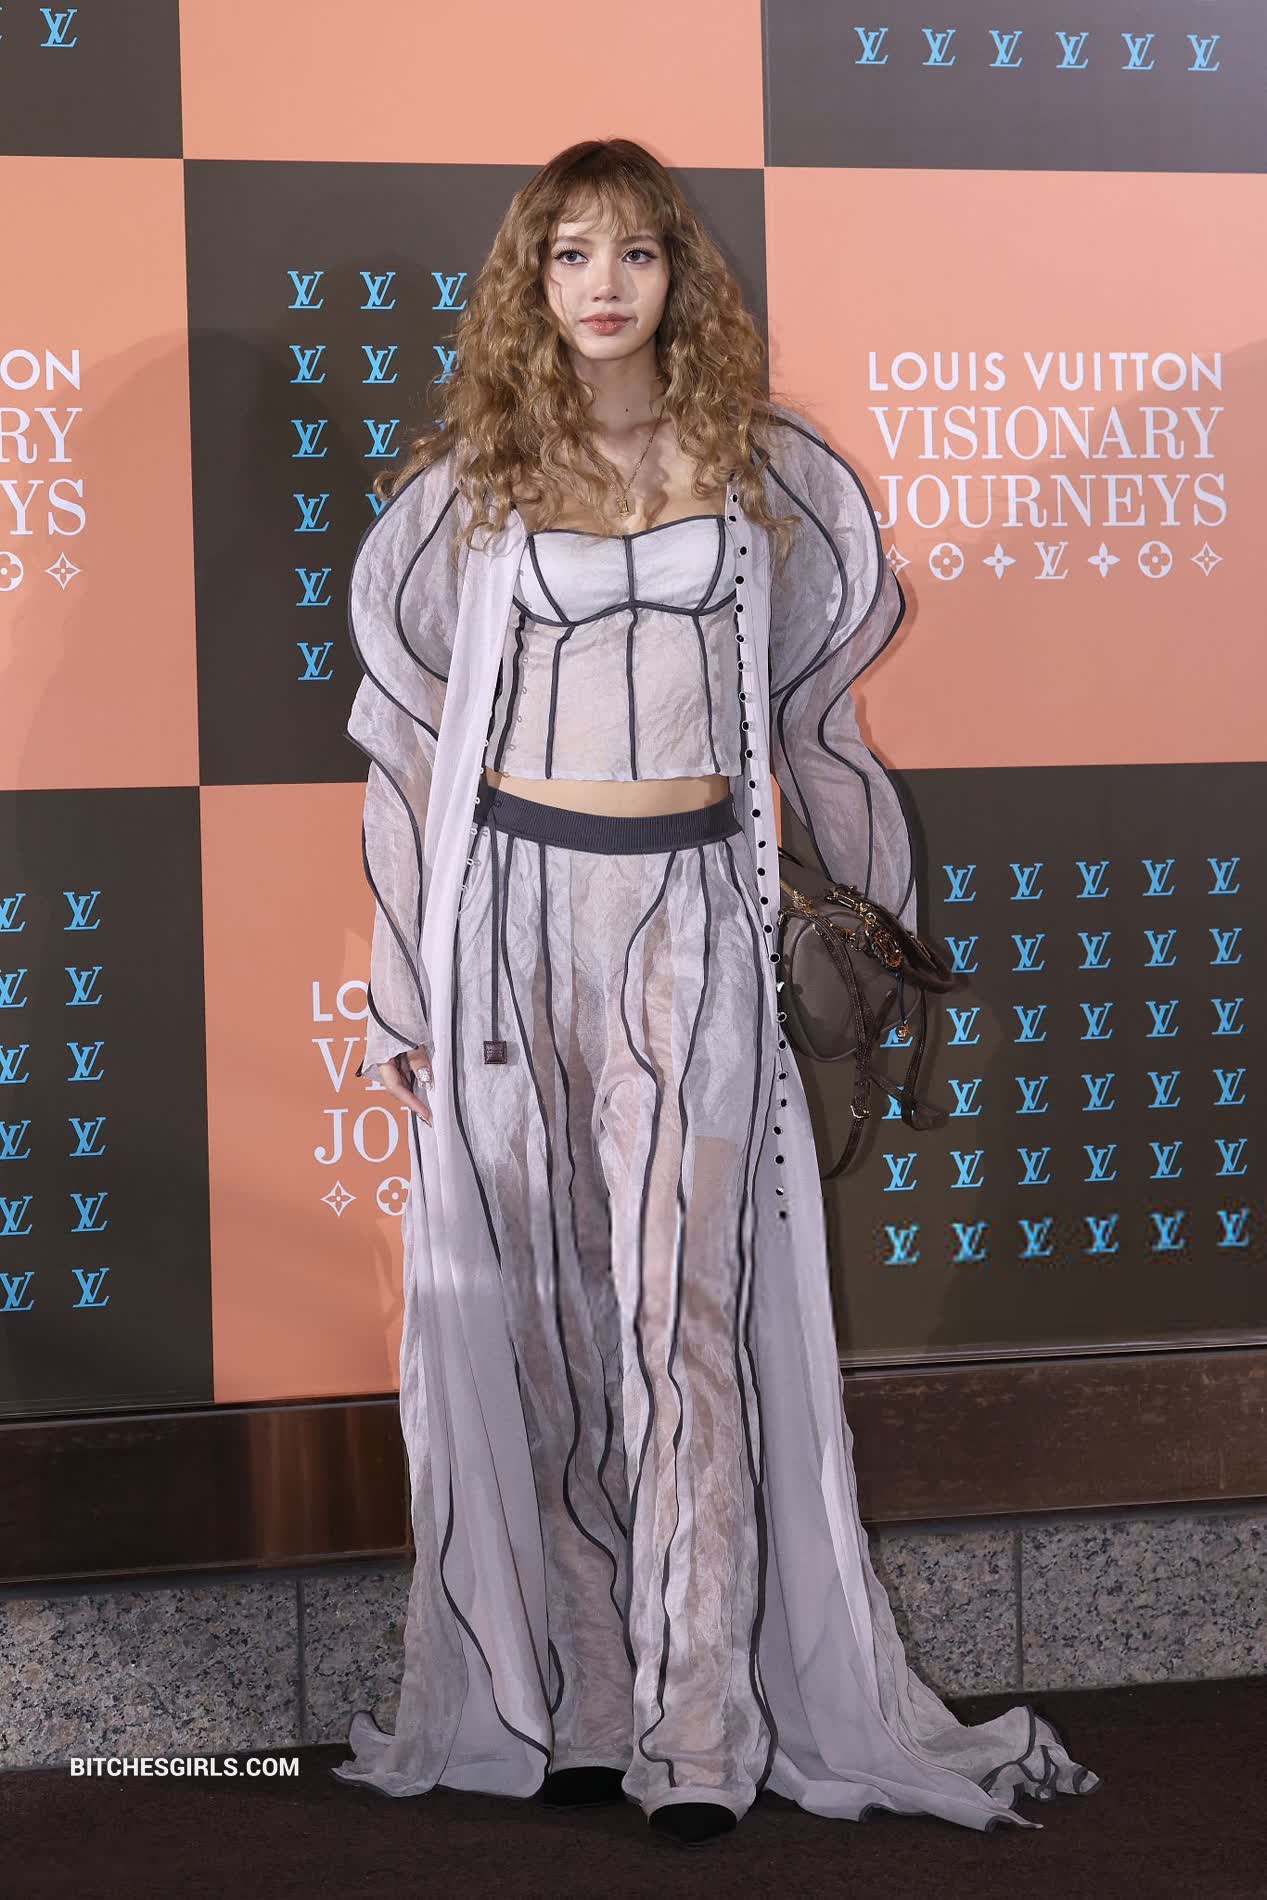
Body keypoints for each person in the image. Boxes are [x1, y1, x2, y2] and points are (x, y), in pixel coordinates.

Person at [331, 138, 1102, 1851]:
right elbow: (404, 755)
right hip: (510, 923)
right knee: (543, 1322)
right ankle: (584, 1699)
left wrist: (878, 930)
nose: (603, 284)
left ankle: (701, 1724)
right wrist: (402, 985)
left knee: (686, 1317)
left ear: (681, 273)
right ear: (532, 284)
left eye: (636, 251)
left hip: (691, 913)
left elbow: (816, 726)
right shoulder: (467, 484)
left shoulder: (770, 475)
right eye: (569, 254)